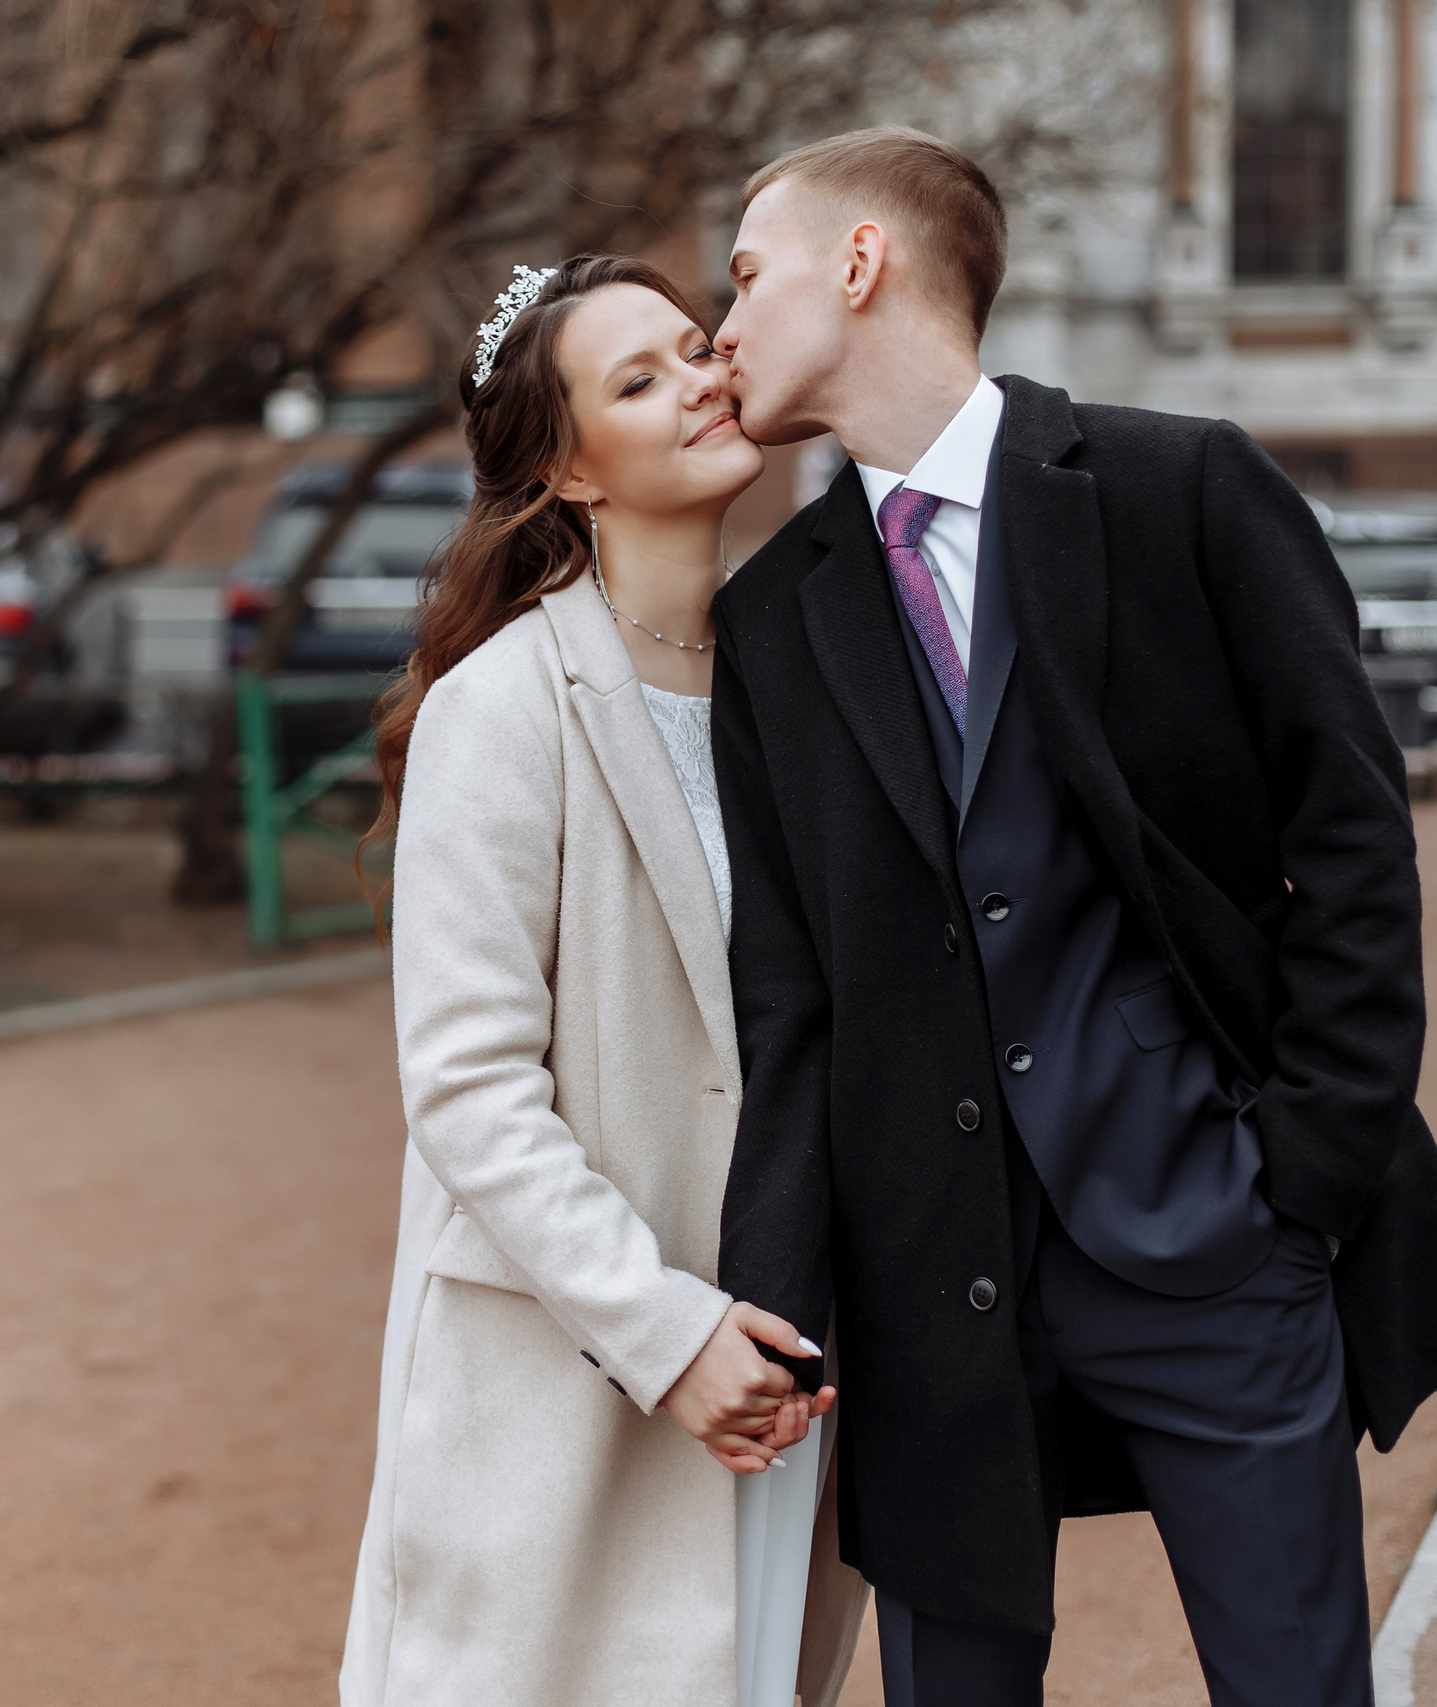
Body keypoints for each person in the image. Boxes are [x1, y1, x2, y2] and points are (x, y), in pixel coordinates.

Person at [706, 128, 1437, 1706]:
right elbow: (790, 1001)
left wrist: (1307, 1183)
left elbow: (1354, 837)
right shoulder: (774, 617)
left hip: (1219, 1244)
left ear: (862, 264)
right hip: (927, 1294)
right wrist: (786, 1302)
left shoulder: (1179, 489)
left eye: (748, 278)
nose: (721, 327)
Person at [338, 255, 866, 1707]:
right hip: (576, 1376)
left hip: (783, 1371)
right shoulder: (501, 708)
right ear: (569, 467)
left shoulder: (807, 681)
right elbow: (466, 1088)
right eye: (639, 380)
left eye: (698, 348)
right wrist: (665, 1329)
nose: (697, 380)